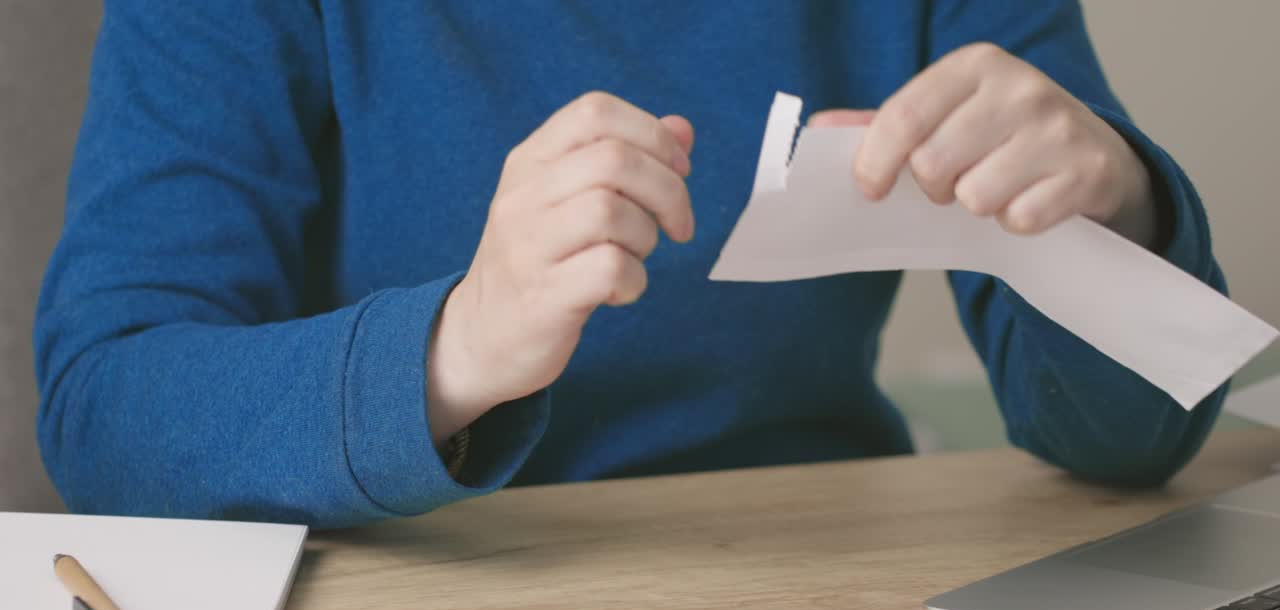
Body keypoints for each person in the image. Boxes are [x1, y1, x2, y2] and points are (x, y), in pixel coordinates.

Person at [35, 2, 1225, 529]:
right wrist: (455, 347)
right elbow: (107, 409)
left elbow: (1124, 444)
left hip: (820, 600)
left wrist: (1112, 212)